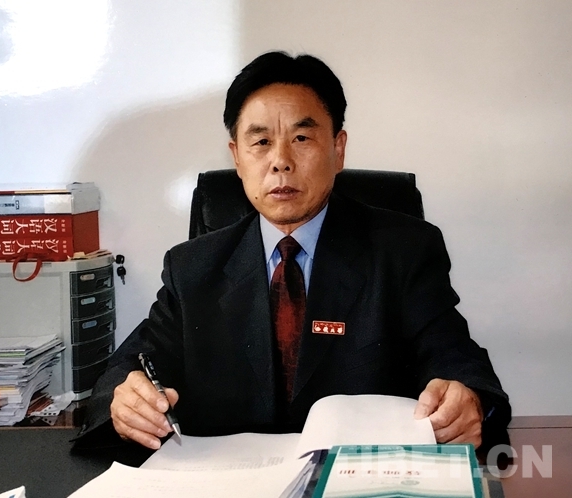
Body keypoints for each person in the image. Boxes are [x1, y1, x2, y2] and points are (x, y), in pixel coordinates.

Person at [78, 51, 511, 451]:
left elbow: (455, 358)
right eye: (261, 142)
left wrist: (470, 401)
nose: (281, 161)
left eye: (302, 138)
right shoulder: (193, 268)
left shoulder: (403, 251)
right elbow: (131, 367)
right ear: (237, 157)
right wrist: (125, 400)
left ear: (338, 149)